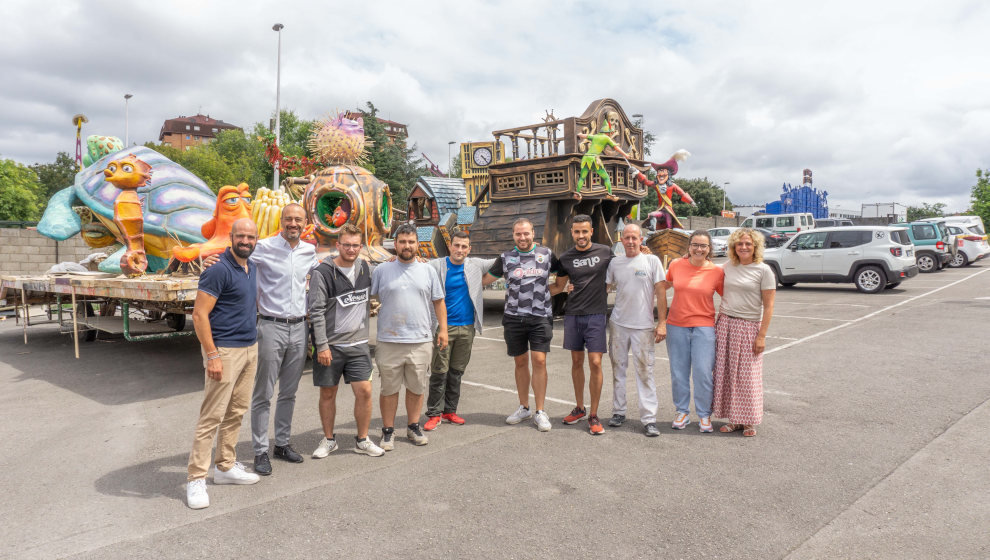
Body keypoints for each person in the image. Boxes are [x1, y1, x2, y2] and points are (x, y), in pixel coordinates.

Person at [186, 218, 261, 510]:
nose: (246, 241)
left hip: (249, 348)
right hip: (225, 351)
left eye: (251, 237)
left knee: (236, 411)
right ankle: (196, 478)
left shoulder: (250, 266)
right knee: (211, 417)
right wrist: (213, 355)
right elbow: (199, 315)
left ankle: (226, 466)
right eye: (241, 236)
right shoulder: (217, 270)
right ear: (231, 237)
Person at [247, 203, 315, 475]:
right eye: (289, 219)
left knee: (289, 391)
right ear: (281, 220)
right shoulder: (262, 248)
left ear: (305, 222)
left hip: (300, 327)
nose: (293, 224)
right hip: (271, 326)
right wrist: (216, 259)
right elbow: (236, 259)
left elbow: (331, 266)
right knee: (263, 392)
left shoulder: (310, 251)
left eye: (298, 220)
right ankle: (260, 450)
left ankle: (282, 444)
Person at [308, 223, 384, 457]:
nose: (351, 249)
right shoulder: (323, 273)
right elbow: (316, 311)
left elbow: (393, 269)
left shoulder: (365, 268)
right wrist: (321, 345)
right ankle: (329, 440)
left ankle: (362, 439)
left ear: (361, 247)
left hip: (358, 344)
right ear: (338, 245)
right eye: (346, 245)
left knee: (365, 391)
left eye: (355, 245)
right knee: (328, 393)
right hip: (330, 346)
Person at [371, 223, 447, 450]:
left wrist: (442, 329)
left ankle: (413, 426)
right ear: (395, 244)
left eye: (411, 241)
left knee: (416, 387)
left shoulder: (428, 270)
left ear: (417, 244)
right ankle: (387, 431)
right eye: (402, 242)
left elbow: (438, 301)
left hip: (420, 340)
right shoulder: (382, 270)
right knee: (389, 389)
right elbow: (368, 297)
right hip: (388, 340)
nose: (406, 246)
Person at [482, 218, 562, 432]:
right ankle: (524, 407)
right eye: (518, 234)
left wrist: (550, 292)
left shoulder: (546, 254)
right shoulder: (506, 258)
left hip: (540, 317)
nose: (522, 237)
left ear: (533, 233)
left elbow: (562, 277)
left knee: (539, 360)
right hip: (513, 317)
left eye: (526, 233)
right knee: (520, 362)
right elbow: (483, 280)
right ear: (513, 235)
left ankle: (540, 411)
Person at [423, 231, 495, 431]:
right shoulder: (435, 265)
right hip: (443, 327)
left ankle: (449, 411)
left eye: (464, 247)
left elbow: (502, 261)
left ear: (469, 249)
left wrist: (522, 246)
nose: (460, 250)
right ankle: (434, 414)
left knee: (456, 372)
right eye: (457, 245)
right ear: (450, 246)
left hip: (467, 327)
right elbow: (414, 266)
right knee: (439, 371)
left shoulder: (475, 265)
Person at [551, 214, 613, 435]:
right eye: (576, 232)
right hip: (573, 314)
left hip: (596, 314)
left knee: (595, 362)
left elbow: (622, 267)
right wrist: (529, 290)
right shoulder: (566, 258)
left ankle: (594, 415)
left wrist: (644, 254)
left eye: (584, 231)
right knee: (576, 362)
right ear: (572, 233)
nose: (580, 236)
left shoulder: (605, 252)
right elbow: (558, 286)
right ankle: (579, 408)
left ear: (591, 232)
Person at [712, 228, 776, 437]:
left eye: (748, 244)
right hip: (726, 325)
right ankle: (734, 419)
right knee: (726, 374)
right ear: (734, 247)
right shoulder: (727, 267)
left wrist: (762, 335)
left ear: (755, 246)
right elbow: (702, 267)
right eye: (740, 244)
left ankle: (749, 421)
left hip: (749, 327)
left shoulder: (764, 270)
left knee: (748, 376)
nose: (744, 247)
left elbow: (769, 306)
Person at [606, 224, 667, 437]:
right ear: (621, 240)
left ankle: (649, 419)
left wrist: (662, 323)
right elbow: (604, 288)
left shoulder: (652, 261)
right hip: (618, 324)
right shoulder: (615, 262)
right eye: (627, 238)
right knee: (618, 370)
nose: (630, 241)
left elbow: (661, 293)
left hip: (643, 326)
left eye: (634, 238)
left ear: (641, 239)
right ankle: (618, 411)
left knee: (645, 372)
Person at [664, 230, 724, 433]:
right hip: (676, 325)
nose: (699, 249)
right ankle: (681, 411)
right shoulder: (676, 265)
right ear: (688, 247)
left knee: (703, 372)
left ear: (709, 249)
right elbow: (664, 285)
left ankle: (704, 414)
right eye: (695, 245)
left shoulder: (717, 272)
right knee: (678, 372)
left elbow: (729, 297)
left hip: (704, 327)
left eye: (703, 246)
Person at [628, 150, 693, 230]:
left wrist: (691, 201)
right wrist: (637, 172)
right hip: (660, 210)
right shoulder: (656, 185)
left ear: (668, 175)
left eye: (663, 171)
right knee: (652, 215)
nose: (661, 174)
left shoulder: (673, 185)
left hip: (668, 211)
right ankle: (652, 228)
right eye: (659, 172)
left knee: (669, 227)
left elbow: (682, 194)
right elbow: (646, 181)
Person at [574, 121, 631, 202]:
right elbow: (616, 148)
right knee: (606, 177)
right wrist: (625, 155)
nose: (611, 134)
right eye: (611, 133)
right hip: (594, 159)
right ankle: (610, 194)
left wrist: (579, 135)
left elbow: (584, 135)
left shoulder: (595, 136)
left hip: (586, 158)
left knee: (582, 177)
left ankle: (577, 193)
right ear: (608, 132)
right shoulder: (606, 138)